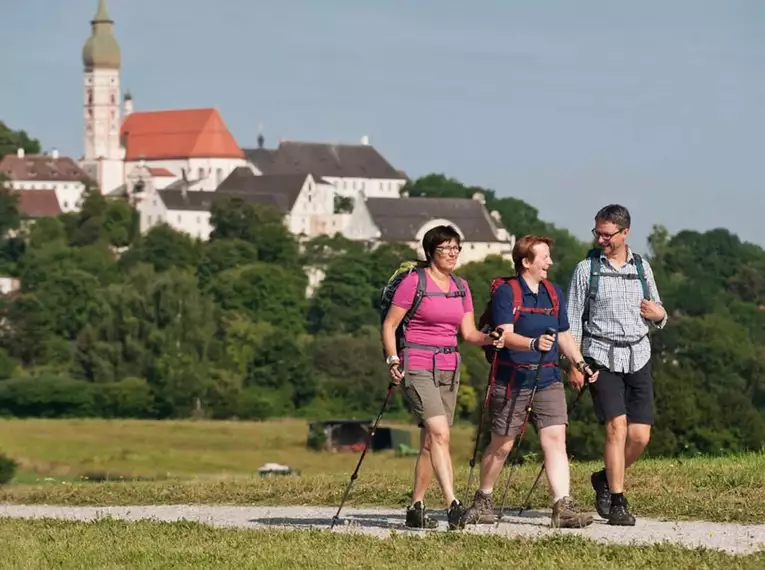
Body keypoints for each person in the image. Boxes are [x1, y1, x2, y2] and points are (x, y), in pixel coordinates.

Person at [463, 234, 597, 529]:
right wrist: (533, 344)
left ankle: (563, 507)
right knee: (502, 445)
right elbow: (505, 335)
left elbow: (563, 335)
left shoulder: (553, 292)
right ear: (526, 262)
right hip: (512, 379)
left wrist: (580, 363)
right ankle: (483, 499)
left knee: (555, 440)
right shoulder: (507, 293)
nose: (550, 262)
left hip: (548, 377)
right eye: (544, 257)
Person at [381, 224, 504, 531]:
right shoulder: (414, 282)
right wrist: (393, 357)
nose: (452, 254)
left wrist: (491, 338)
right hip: (418, 362)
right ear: (431, 252)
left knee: (429, 442)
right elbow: (389, 325)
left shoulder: (461, 286)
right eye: (446, 248)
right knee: (440, 434)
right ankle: (453, 505)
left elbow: (468, 333)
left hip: (449, 366)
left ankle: (416, 507)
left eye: (456, 248)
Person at [566, 204, 667, 526]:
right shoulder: (586, 270)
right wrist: (575, 364)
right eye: (597, 232)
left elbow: (658, 309)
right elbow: (573, 320)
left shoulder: (642, 267)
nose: (600, 240)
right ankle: (619, 502)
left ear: (625, 233)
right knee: (616, 427)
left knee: (639, 437)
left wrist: (659, 315)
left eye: (607, 234)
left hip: (638, 354)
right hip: (600, 356)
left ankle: (605, 479)